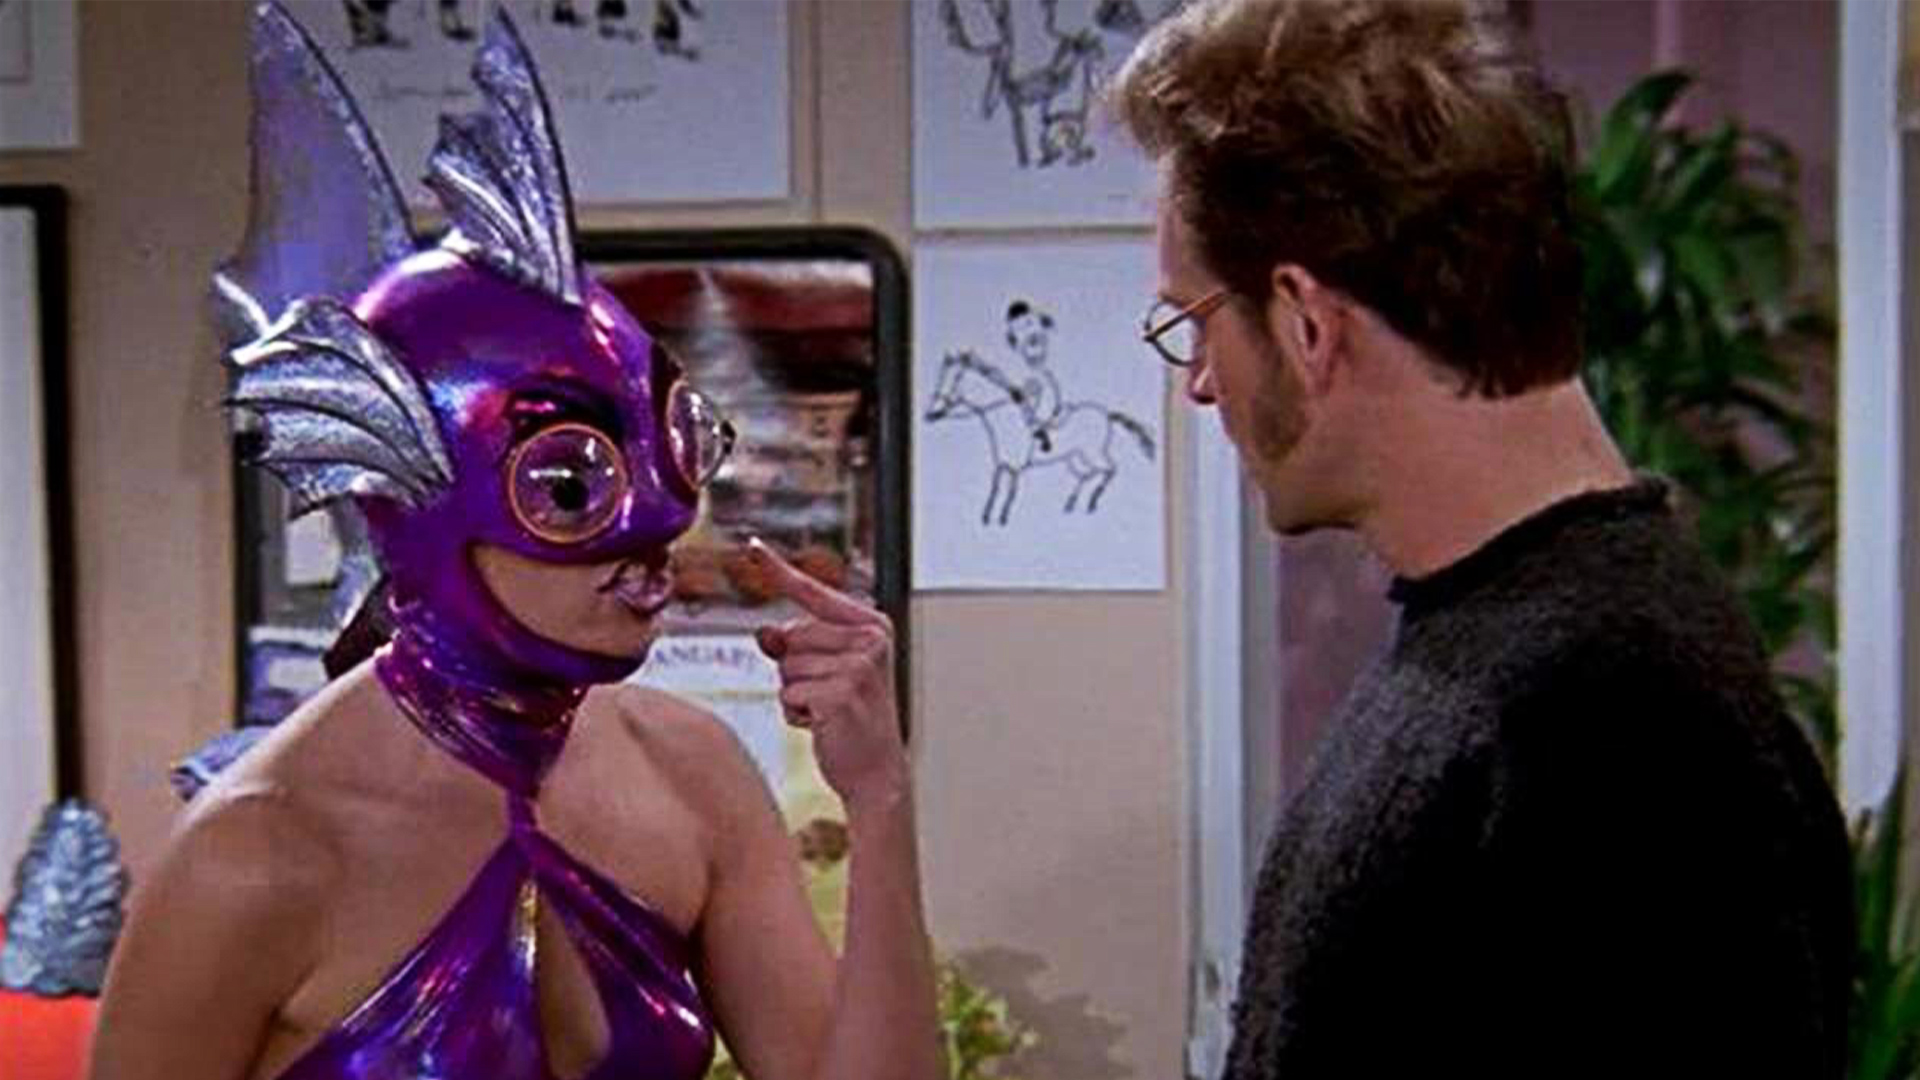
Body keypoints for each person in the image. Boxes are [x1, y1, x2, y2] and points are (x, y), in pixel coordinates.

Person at [88, 7, 943, 1080]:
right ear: (422, 493)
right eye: (571, 489)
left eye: (677, 447)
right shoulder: (260, 850)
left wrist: (880, 798)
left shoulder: (690, 773)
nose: (658, 538)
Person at [1110, 2, 1852, 1077]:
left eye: (1195, 325)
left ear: (1307, 323)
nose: (1199, 384)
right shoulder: (1489, 648)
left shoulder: (1622, 716)